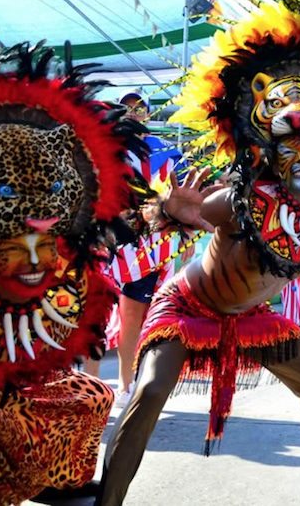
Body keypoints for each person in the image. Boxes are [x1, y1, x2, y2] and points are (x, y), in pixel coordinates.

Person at [95, 4, 300, 505]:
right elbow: (176, 214)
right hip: (189, 308)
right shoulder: (243, 198)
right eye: (290, 147)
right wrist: (169, 209)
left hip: (251, 317)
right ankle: (108, 499)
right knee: (149, 392)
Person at [0, 43, 144, 503]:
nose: (38, 213)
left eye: (52, 187)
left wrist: (161, 217)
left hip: (18, 378)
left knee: (91, 394)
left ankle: (60, 479)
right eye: (7, 187)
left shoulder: (54, 246)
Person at [95, 92, 188, 406]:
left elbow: (185, 195)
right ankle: (125, 384)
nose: (133, 112)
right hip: (118, 246)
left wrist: (186, 237)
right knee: (125, 316)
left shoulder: (166, 151)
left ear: (148, 113)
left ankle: (143, 382)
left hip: (158, 246)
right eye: (127, 108)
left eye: (139, 108)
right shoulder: (106, 150)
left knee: (155, 318)